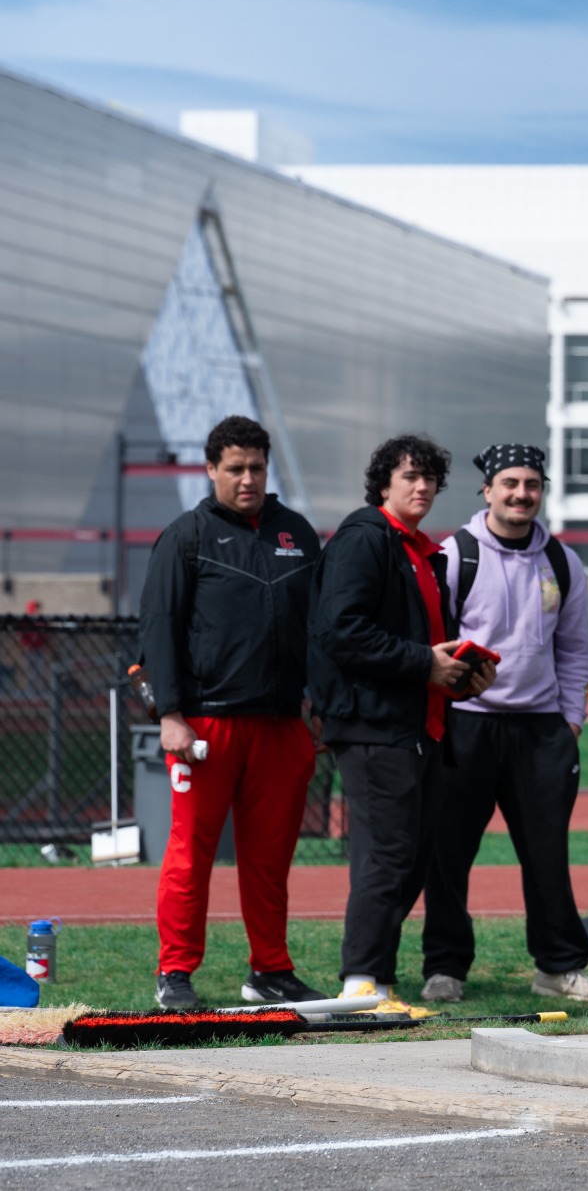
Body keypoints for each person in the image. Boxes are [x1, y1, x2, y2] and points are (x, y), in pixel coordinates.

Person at [139, 416, 323, 1010]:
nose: (248, 479)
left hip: (280, 724)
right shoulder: (185, 535)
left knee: (269, 861)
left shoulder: (297, 533)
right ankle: (175, 975)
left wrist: (317, 706)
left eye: (257, 468)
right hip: (206, 727)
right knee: (190, 854)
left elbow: (319, 629)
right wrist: (170, 713)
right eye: (236, 468)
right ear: (211, 469)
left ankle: (270, 970)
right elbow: (159, 629)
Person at [419, 445, 588, 1005]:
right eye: (509, 483)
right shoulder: (456, 555)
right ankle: (445, 967)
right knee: (449, 854)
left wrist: (571, 719)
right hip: (468, 726)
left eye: (531, 484)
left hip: (542, 730)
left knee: (547, 854)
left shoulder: (561, 562)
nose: (521, 493)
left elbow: (576, 649)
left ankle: (558, 966)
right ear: (487, 490)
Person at [309, 434, 493, 1002]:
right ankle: (360, 980)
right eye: (409, 476)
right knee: (386, 854)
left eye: (430, 478)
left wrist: (463, 672)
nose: (422, 487)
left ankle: (377, 978)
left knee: (411, 856)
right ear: (383, 483)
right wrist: (423, 664)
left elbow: (426, 642)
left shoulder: (421, 551)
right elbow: (342, 630)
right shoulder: (365, 540)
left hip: (423, 727)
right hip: (374, 726)